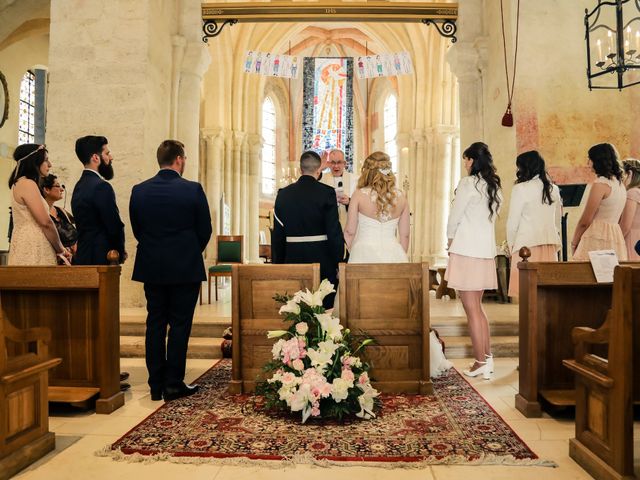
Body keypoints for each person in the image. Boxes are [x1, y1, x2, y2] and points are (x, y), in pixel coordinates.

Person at [344, 151, 452, 377]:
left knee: (361, 309)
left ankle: (359, 360)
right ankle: (401, 358)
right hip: (394, 254)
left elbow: (350, 230)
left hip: (363, 253)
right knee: (396, 310)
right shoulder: (402, 197)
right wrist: (395, 255)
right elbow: (405, 237)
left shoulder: (359, 196)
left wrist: (356, 249)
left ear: (367, 171)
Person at [129, 140, 212, 402]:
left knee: (154, 323)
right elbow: (205, 228)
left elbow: (137, 229)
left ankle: (155, 384)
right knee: (179, 325)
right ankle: (173, 383)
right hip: (184, 267)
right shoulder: (193, 190)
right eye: (184, 158)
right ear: (178, 159)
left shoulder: (139, 191)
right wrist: (188, 250)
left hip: (152, 265)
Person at [446, 142, 502, 380]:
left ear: (471, 161)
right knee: (477, 308)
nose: (465, 164)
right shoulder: (494, 186)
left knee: (471, 309)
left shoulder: (468, 184)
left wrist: (449, 240)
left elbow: (455, 216)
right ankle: (486, 359)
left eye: (466, 159)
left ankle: (480, 361)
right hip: (484, 251)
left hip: (466, 250)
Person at [272, 150, 344, 309]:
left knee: (296, 308)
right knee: (323, 309)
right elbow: (334, 232)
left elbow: (278, 235)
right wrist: (339, 261)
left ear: (300, 169)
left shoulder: (283, 194)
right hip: (322, 260)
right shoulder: (326, 193)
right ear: (319, 170)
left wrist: (278, 265)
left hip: (292, 259)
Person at [506, 151, 562, 297]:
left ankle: (529, 320)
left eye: (519, 167)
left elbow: (513, 222)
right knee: (547, 293)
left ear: (525, 168)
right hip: (549, 245)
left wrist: (511, 247)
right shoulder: (553, 189)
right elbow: (557, 221)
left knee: (527, 294)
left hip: (526, 247)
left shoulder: (521, 189)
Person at [8, 144, 70, 266]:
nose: (50, 164)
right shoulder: (27, 183)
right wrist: (61, 249)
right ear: (34, 162)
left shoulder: (20, 183)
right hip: (33, 245)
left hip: (25, 241)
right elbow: (45, 223)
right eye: (46, 160)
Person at [71, 135, 126, 265]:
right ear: (96, 157)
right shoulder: (101, 186)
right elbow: (113, 224)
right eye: (107, 153)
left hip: (83, 256)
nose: (111, 157)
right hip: (102, 257)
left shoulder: (79, 186)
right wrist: (120, 251)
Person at [572, 143, 627, 261]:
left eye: (589, 159)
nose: (588, 163)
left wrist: (574, 242)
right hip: (615, 235)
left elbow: (585, 221)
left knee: (589, 277)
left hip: (597, 236)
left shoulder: (601, 184)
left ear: (598, 161)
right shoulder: (620, 185)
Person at [41, 174, 78, 256]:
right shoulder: (41, 213)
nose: (62, 189)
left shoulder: (61, 211)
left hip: (74, 257)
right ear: (47, 189)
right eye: (57, 186)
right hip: (55, 257)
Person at [320, 148, 356, 230]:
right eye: (333, 162)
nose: (336, 166)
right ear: (328, 164)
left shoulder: (355, 180)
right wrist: (320, 168)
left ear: (344, 163)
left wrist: (349, 201)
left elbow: (362, 204)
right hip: (327, 224)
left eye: (339, 162)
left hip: (349, 224)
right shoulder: (321, 179)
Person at [619, 158, 640, 261]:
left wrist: (614, 243)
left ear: (630, 174)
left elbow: (625, 225)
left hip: (631, 240)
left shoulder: (632, 193)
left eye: (621, 175)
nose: (620, 179)